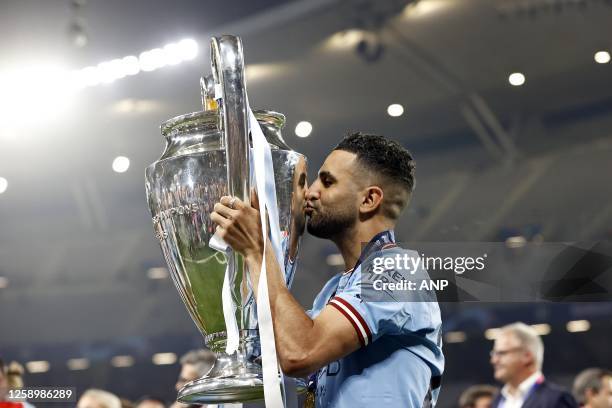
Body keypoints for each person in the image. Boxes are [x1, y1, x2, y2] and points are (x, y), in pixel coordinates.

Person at [212, 132, 445, 407]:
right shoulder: (332, 292)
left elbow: (299, 353)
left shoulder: (397, 270)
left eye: (327, 181)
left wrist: (258, 251)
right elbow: (267, 356)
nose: (310, 191)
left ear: (369, 200)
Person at [489, 322, 577, 407]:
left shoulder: (556, 399)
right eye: (494, 354)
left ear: (526, 356)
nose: (494, 360)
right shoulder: (497, 400)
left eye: (502, 353)